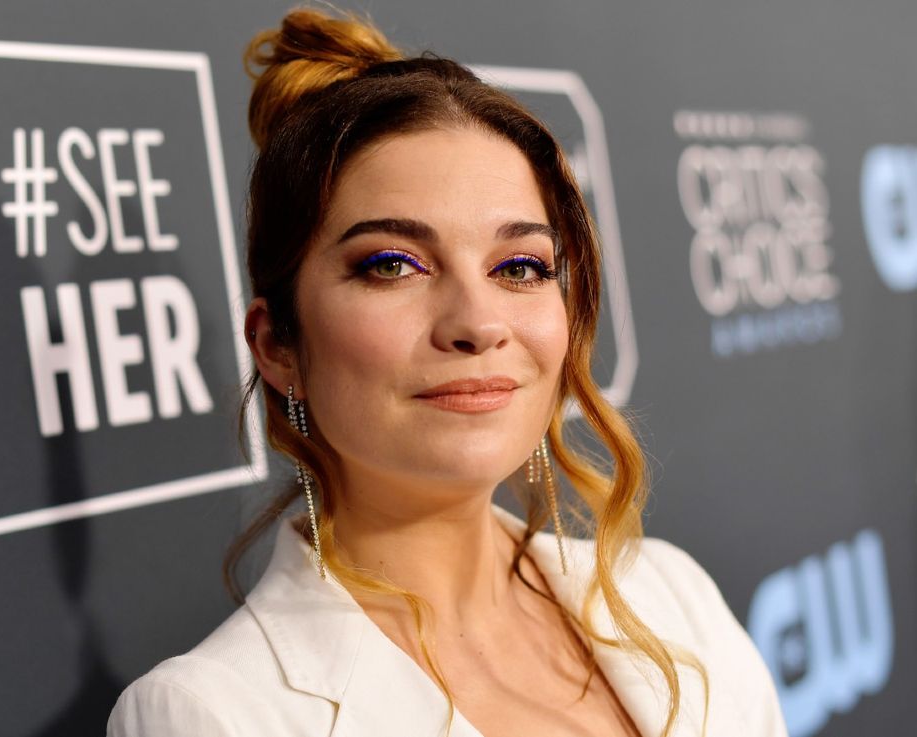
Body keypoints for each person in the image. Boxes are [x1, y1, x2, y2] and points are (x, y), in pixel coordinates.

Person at [108, 7, 788, 737]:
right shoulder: (211, 714)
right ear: (277, 345)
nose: (478, 322)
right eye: (392, 265)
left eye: (520, 266)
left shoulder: (669, 596)